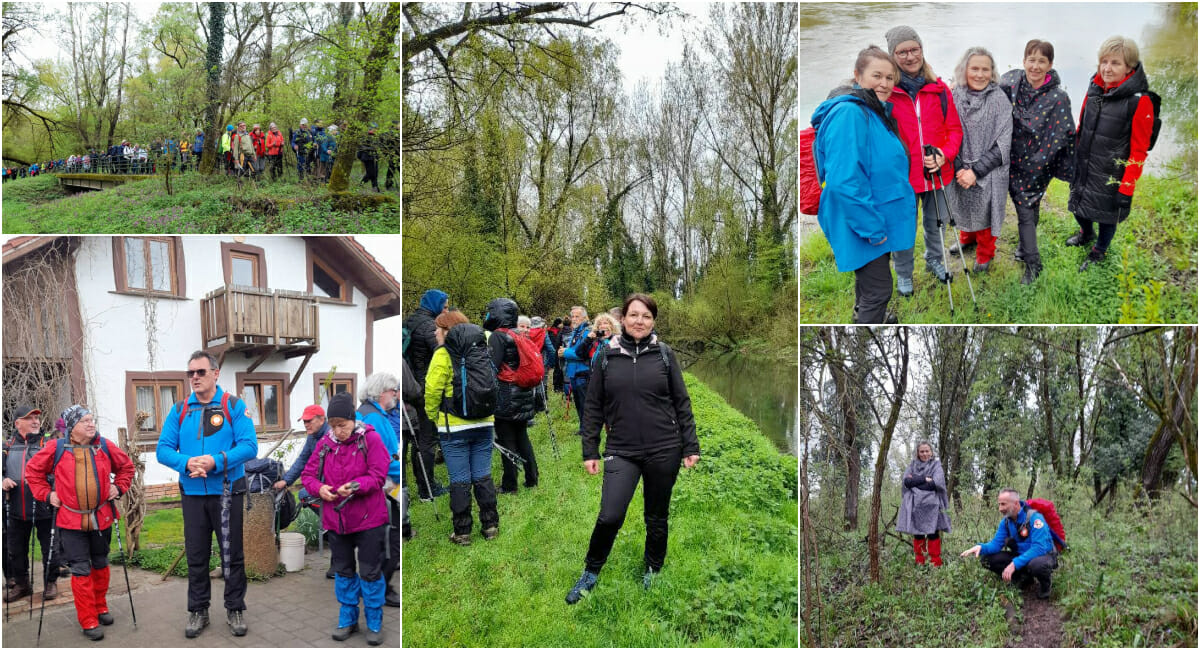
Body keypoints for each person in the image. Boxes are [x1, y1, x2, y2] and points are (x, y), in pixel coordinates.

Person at [565, 294, 700, 604]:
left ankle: (653, 567)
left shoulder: (664, 354)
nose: (640, 321)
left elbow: (681, 402)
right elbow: (594, 407)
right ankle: (591, 571)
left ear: (652, 321)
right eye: (634, 315)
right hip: (621, 449)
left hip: (664, 448)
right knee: (610, 514)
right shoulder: (606, 356)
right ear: (622, 319)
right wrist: (590, 450)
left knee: (656, 516)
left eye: (647, 316)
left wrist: (690, 445)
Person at [156, 351, 257, 639]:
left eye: (200, 372)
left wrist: (216, 461)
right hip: (192, 494)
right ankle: (198, 609)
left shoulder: (234, 406)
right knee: (197, 556)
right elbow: (163, 449)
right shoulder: (179, 410)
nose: (195, 378)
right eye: (191, 373)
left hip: (227, 493)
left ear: (215, 373)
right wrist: (187, 463)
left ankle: (235, 607)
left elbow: (250, 446)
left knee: (232, 555)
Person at [812, 45, 916, 323]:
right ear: (857, 75)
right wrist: (872, 229)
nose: (884, 83)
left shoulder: (871, 109)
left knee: (870, 284)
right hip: (862, 220)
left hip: (873, 215)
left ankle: (867, 317)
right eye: (876, 76)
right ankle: (869, 321)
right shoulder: (850, 114)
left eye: (890, 78)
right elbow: (843, 181)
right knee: (879, 290)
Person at [25, 406, 135, 641]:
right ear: (72, 426)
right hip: (71, 520)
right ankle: (88, 619)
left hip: (101, 516)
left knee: (101, 564)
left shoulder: (103, 446)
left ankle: (100, 605)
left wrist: (119, 486)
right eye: (84, 421)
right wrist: (47, 494)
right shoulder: (56, 448)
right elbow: (32, 472)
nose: (90, 424)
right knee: (81, 569)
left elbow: (126, 468)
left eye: (91, 419)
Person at [300, 393, 390, 646]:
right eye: (333, 425)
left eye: (343, 425)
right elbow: (307, 476)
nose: (338, 431)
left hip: (368, 518)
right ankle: (348, 619)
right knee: (343, 570)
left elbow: (378, 476)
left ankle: (374, 621)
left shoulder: (369, 438)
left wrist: (356, 485)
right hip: (336, 518)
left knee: (370, 571)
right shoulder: (325, 444)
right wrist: (320, 489)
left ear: (353, 420)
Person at [886, 25, 964, 294]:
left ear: (922, 50)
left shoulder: (940, 90)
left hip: (938, 172)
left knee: (937, 222)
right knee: (903, 227)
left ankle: (934, 260)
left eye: (914, 49)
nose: (910, 56)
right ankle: (904, 272)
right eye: (902, 52)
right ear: (893, 55)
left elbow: (954, 130)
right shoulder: (887, 93)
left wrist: (944, 155)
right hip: (903, 177)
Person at [1068, 36, 1156, 271]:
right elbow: (1082, 124)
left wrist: (1127, 186)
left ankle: (1099, 251)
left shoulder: (1140, 102)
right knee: (1078, 207)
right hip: (1085, 165)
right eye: (1103, 61)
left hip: (1111, 173)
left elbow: (1139, 150)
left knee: (1107, 217)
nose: (1107, 68)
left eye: (1115, 63)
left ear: (1130, 67)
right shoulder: (1094, 88)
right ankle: (1086, 234)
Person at [999, 40, 1076, 284]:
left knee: (1025, 210)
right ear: (1023, 61)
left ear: (1050, 65)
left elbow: (1066, 133)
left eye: (1041, 61)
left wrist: (1063, 166)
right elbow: (988, 94)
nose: (1035, 66)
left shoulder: (1058, 97)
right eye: (1031, 60)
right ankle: (1024, 247)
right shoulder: (1010, 83)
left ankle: (1034, 264)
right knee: (1030, 208)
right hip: (1012, 158)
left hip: (1039, 163)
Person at [424, 311, 500, 545]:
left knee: (459, 479)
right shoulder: (482, 347)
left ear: (448, 331)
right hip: (485, 422)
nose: (435, 332)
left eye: (438, 328)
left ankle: (462, 531)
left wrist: (434, 417)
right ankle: (490, 526)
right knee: (483, 475)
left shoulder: (443, 354)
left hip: (454, 428)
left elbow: (432, 391)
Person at [943, 46, 1012, 274]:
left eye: (985, 69)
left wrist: (976, 171)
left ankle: (985, 253)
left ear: (992, 72)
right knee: (963, 206)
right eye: (975, 68)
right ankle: (967, 237)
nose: (980, 74)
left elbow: (1003, 144)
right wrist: (962, 168)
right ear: (965, 70)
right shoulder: (954, 95)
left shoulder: (999, 99)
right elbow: (947, 132)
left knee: (986, 211)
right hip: (960, 165)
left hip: (990, 168)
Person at [3, 405, 59, 604]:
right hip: (16, 508)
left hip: (44, 507)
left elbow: (59, 471)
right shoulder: (7, 447)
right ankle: (22, 584)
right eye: (30, 418)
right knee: (16, 549)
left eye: (37, 418)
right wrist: (3, 480)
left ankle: (50, 582)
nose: (35, 421)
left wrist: (48, 483)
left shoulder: (49, 444)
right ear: (18, 423)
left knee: (50, 548)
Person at [483, 298, 539, 493]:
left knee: (507, 440)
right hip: (522, 393)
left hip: (507, 395)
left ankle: (510, 485)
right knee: (522, 437)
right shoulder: (517, 335)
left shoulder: (498, 336)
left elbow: (492, 367)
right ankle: (532, 478)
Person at [356, 373, 403, 608]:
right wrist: (399, 474)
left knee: (382, 542)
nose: (396, 394)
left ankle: (376, 587)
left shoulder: (370, 413)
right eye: (393, 390)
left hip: (377, 487)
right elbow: (382, 459)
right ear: (381, 392)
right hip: (383, 488)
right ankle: (380, 590)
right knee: (390, 543)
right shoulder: (372, 418)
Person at [960, 488, 1057, 599]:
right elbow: (996, 545)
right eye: (999, 504)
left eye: (1003, 504)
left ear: (1015, 503)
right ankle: (1023, 579)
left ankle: (1045, 587)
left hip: (1043, 555)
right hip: (1022, 556)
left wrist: (1014, 564)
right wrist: (980, 547)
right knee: (986, 559)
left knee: (1037, 565)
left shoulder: (1035, 518)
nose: (1000, 509)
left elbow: (1039, 548)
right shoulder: (1006, 522)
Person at [402, 289, 449, 501]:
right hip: (425, 387)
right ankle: (427, 488)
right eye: (445, 307)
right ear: (435, 305)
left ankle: (413, 488)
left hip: (410, 386)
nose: (446, 311)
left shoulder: (410, 321)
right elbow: (442, 352)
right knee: (427, 441)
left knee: (416, 439)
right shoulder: (430, 326)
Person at [896, 441, 951, 566]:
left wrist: (915, 480)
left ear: (931, 452)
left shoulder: (936, 465)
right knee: (918, 534)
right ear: (917, 452)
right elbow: (907, 482)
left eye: (927, 451)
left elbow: (936, 483)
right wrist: (924, 479)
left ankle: (935, 563)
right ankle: (920, 562)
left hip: (932, 506)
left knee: (933, 533)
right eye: (922, 451)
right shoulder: (912, 465)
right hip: (916, 506)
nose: (925, 454)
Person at [559, 306, 591, 433]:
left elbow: (580, 353)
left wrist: (565, 352)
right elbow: (574, 350)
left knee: (584, 403)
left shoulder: (587, 332)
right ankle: (582, 427)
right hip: (573, 372)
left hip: (583, 372)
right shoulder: (575, 331)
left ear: (584, 317)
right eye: (572, 316)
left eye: (577, 316)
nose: (574, 319)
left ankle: (588, 428)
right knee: (578, 402)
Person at [357, 123, 381, 192]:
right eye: (375, 128)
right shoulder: (365, 136)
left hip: (375, 157)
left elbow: (379, 146)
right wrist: (372, 148)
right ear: (371, 128)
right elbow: (362, 147)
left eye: (376, 128)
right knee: (370, 173)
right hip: (367, 157)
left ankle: (375, 187)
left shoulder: (376, 137)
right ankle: (362, 183)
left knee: (375, 172)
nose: (376, 130)